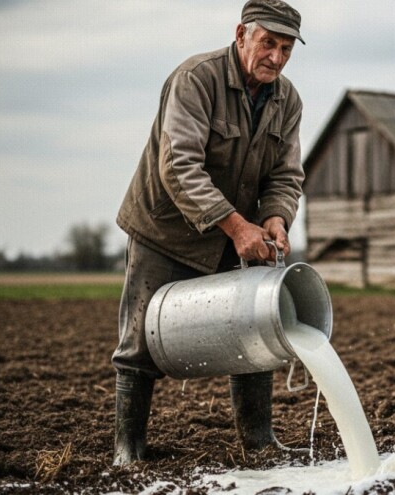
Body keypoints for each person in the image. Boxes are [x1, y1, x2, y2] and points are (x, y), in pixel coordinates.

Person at [111, 0, 306, 466]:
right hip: (167, 229)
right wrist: (238, 226)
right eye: (267, 44)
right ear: (241, 34)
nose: (276, 58)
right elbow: (179, 165)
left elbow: (285, 175)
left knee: (258, 326)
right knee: (139, 343)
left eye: (285, 48)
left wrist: (276, 218)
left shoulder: (288, 100)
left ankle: (259, 441)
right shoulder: (196, 79)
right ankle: (128, 448)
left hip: (235, 232)